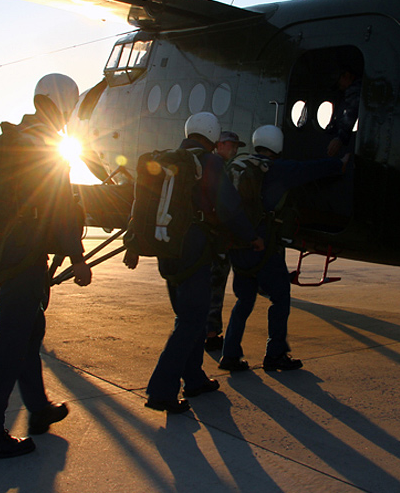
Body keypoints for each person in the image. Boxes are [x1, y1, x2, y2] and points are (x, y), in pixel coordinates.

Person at [0, 73, 92, 462]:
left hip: (6, 256)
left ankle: (38, 409)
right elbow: (60, 211)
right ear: (66, 104)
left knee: (27, 333)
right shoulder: (45, 144)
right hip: (24, 263)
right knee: (8, 346)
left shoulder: (18, 135)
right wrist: (78, 258)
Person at [125, 113, 262, 413]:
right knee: (191, 321)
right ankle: (161, 391)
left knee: (189, 316)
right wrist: (250, 236)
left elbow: (141, 204)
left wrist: (132, 244)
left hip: (167, 249)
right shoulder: (211, 163)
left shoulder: (167, 161)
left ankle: (195, 378)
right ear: (212, 135)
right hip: (194, 251)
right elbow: (228, 207)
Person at [219, 125, 346, 372]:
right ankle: (275, 354)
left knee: (244, 301)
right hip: (262, 247)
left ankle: (230, 355)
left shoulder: (237, 165)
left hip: (238, 246)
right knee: (280, 297)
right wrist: (339, 163)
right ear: (276, 146)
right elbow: (310, 170)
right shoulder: (277, 169)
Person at [205, 130, 245, 352]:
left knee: (212, 286)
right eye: (231, 145)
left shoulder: (211, 165)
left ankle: (208, 331)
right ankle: (211, 334)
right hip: (217, 239)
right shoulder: (219, 168)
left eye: (237, 146)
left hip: (214, 237)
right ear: (219, 145)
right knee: (215, 285)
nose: (235, 149)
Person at [325, 66, 362, 157]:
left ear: (347, 76)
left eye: (339, 82)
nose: (340, 87)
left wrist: (340, 138)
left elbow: (351, 112)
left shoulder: (355, 89)